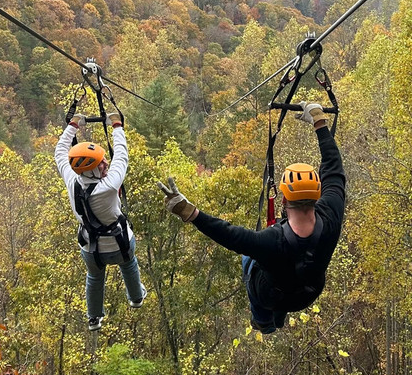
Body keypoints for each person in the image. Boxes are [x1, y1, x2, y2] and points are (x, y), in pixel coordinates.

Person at [158, 103, 345, 333]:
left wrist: (190, 212)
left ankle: (264, 322)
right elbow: (333, 169)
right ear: (318, 194)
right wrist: (319, 122)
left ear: (283, 200)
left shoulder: (269, 242)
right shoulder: (331, 215)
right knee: (278, 272)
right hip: (307, 294)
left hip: (270, 295)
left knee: (249, 259)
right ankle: (277, 317)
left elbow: (229, 235)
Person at [56, 110, 146, 331]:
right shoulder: (109, 185)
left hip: (90, 247)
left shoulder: (72, 179)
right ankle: (136, 297)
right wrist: (116, 126)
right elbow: (122, 155)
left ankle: (94, 318)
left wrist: (73, 126)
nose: (106, 164)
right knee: (129, 264)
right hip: (120, 244)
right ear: (91, 171)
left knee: (95, 277)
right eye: (101, 164)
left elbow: (60, 152)